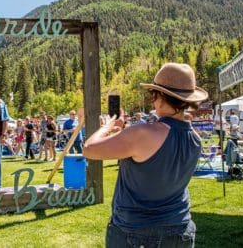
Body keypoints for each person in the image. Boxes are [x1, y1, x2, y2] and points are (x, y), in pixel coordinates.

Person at [84, 63, 208, 247]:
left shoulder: (143, 133)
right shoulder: (195, 139)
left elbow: (89, 149)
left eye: (153, 94)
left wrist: (107, 125)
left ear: (161, 97)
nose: (152, 100)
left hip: (136, 230)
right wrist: (123, 133)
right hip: (180, 228)